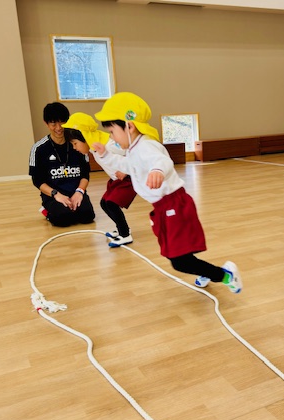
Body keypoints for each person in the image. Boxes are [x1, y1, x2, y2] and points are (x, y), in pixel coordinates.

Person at [92, 92, 242, 294]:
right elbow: (127, 165)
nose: (111, 137)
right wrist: (105, 155)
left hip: (174, 204)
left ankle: (226, 276)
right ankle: (205, 270)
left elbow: (162, 160)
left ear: (129, 126)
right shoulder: (134, 149)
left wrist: (157, 170)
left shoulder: (146, 145)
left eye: (112, 132)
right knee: (180, 253)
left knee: (178, 261)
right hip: (164, 207)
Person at [62, 112, 136, 247]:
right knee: (104, 203)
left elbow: (134, 153)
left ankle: (125, 235)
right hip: (115, 180)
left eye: (75, 143)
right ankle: (122, 229)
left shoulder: (110, 144)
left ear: (85, 136)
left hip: (129, 179)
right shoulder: (93, 146)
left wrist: (126, 170)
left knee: (111, 204)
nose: (74, 148)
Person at [28, 102, 95, 227]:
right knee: (63, 219)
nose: (59, 128)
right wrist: (56, 194)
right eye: (53, 123)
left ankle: (72, 207)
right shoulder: (39, 148)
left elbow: (85, 174)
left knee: (87, 216)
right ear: (46, 123)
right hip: (53, 195)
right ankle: (47, 210)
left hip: (76, 192)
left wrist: (79, 192)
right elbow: (37, 180)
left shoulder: (77, 144)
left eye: (62, 122)